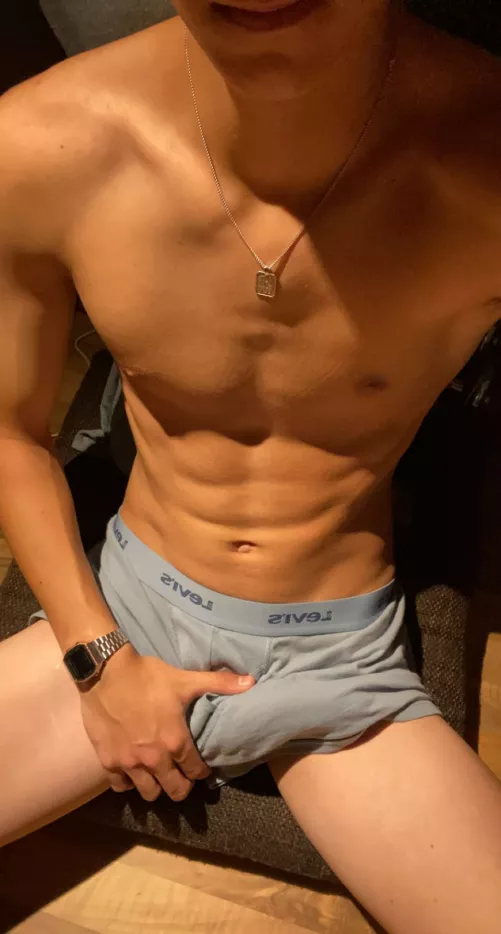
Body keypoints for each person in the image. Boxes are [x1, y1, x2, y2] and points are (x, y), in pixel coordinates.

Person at [0, 0, 500, 930]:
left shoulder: (478, 151)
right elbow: (10, 434)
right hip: (130, 606)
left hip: (341, 662)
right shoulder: (44, 140)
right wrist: (98, 661)